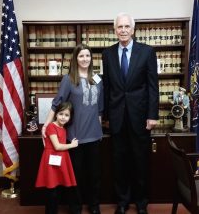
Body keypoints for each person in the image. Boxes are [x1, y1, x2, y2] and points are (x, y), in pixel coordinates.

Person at [102, 13, 159, 214]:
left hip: (140, 118)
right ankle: (122, 202)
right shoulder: (107, 54)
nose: (123, 30)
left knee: (140, 162)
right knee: (119, 163)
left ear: (133, 30)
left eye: (127, 26)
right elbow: (107, 87)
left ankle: (141, 203)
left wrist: (152, 115)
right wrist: (106, 116)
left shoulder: (147, 52)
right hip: (117, 119)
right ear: (115, 30)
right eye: (120, 27)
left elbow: (153, 86)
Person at [42, 44, 104, 214]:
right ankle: (75, 207)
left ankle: (94, 206)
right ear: (75, 59)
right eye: (81, 56)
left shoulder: (98, 79)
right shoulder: (68, 79)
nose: (85, 59)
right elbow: (57, 103)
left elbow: (100, 108)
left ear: (91, 59)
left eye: (88, 56)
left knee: (94, 176)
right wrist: (47, 125)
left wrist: (99, 129)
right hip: (74, 138)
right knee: (74, 175)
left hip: (94, 136)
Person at [35, 102, 78, 214]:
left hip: (62, 159)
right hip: (51, 160)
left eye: (66, 115)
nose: (63, 117)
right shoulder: (51, 126)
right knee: (52, 190)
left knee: (59, 189)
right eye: (61, 114)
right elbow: (57, 146)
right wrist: (72, 145)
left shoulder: (63, 128)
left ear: (70, 117)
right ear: (56, 114)